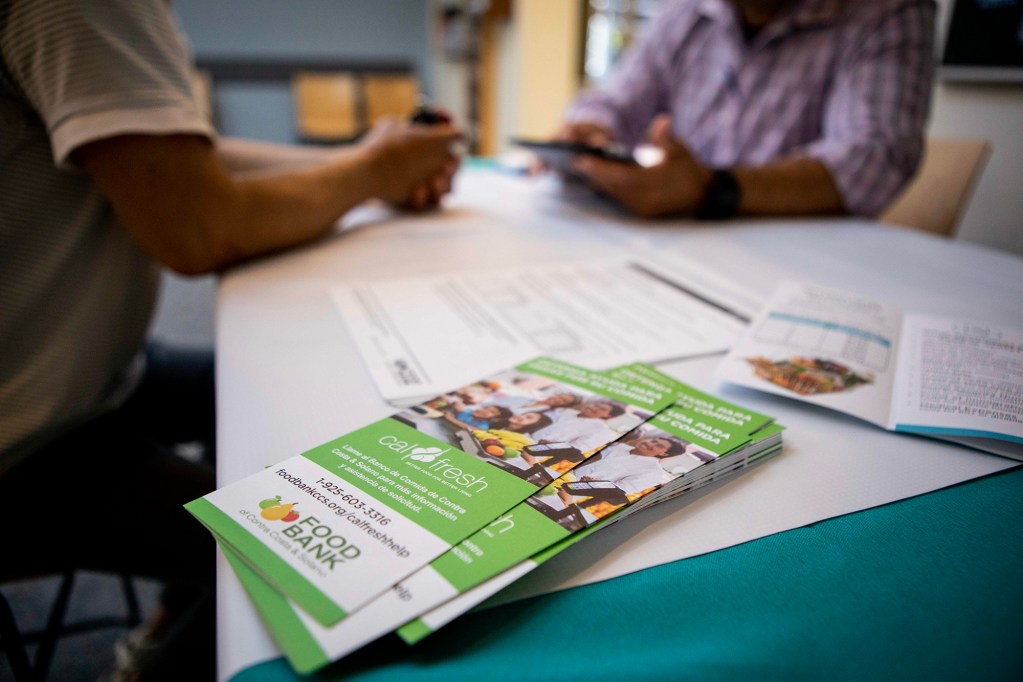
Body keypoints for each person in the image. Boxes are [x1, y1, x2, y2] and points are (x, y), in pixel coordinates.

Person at [0, 0, 461, 679]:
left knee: (249, 383)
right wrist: (370, 172)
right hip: (27, 444)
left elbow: (182, 163)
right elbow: (198, 226)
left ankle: (170, 616)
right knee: (299, 569)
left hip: (78, 372)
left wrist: (367, 162)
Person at [555, 0, 936, 220]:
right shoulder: (689, 10)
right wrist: (590, 130)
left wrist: (711, 188)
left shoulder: (887, 11)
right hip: (685, 245)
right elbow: (619, 98)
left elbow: (874, 156)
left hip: (801, 265)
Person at [531, 399, 628, 454]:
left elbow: (578, 449)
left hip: (539, 452)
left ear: (608, 416)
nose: (592, 407)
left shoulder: (601, 431)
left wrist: (552, 446)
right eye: (595, 404)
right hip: (523, 437)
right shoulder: (566, 411)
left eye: (601, 408)